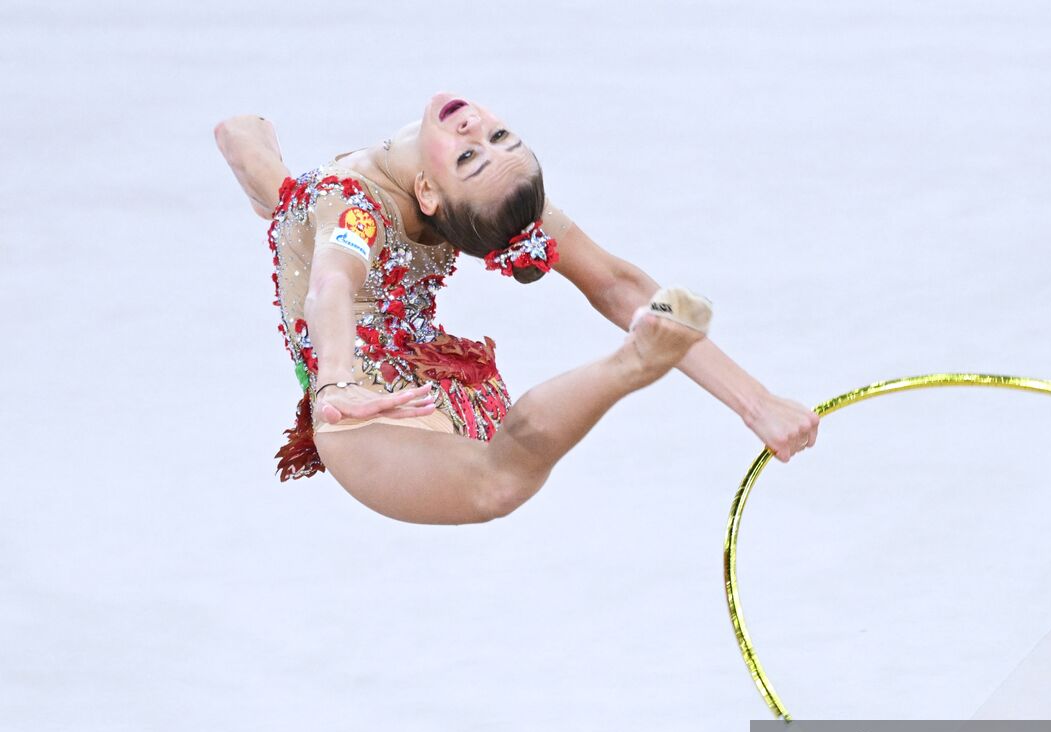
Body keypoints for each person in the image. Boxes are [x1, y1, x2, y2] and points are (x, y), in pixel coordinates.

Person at [215, 92, 819, 525]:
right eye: (491, 141)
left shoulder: (370, 206)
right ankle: (632, 363)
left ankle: (635, 361)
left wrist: (756, 402)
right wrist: (337, 379)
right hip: (371, 398)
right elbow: (329, 285)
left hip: (396, 390)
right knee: (499, 483)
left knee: (499, 483)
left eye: (474, 153)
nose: (475, 130)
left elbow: (616, 283)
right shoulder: (345, 206)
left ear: (430, 194)